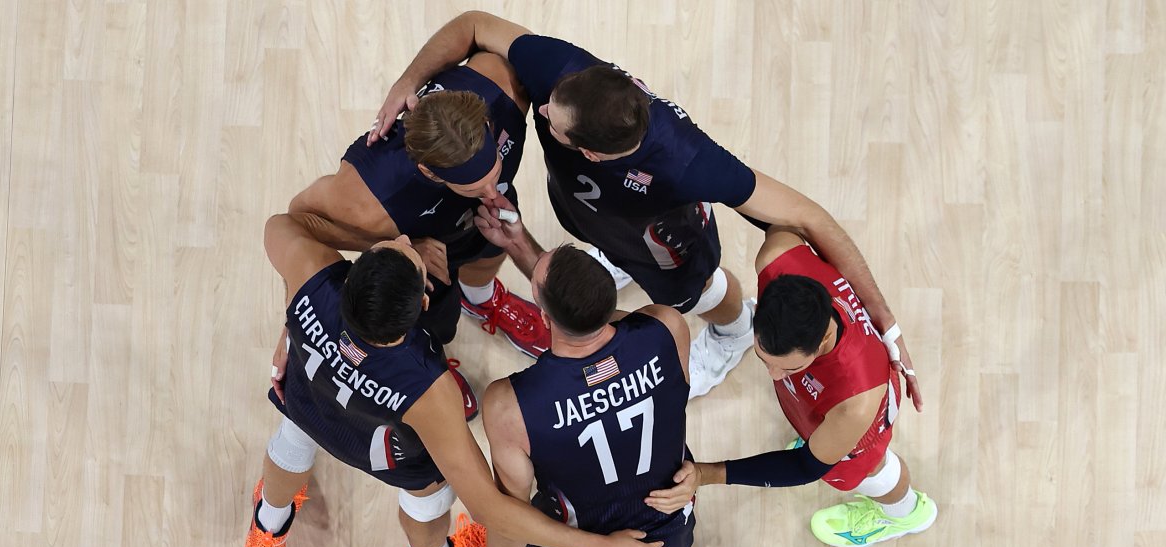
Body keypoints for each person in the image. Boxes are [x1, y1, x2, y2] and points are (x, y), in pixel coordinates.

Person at [370, 11, 922, 407]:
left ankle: (732, 332)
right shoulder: (565, 76)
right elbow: (472, 25)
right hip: (598, 222)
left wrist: (889, 328)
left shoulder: (689, 161)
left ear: (588, 150)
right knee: (600, 252)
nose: (538, 108)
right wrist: (407, 80)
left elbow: (811, 218)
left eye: (550, 124)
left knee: (701, 290)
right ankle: (613, 257)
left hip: (667, 247)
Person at [245, 214, 667, 547]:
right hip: (384, 452)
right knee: (428, 496)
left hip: (306, 404)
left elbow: (282, 222)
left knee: (290, 443)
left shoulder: (309, 274)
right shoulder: (431, 391)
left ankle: (269, 524)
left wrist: (292, 324)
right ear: (423, 305)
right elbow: (488, 507)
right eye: (407, 248)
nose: (406, 235)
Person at [474, 209, 697, 547]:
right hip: (673, 518)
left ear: (542, 311)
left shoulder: (507, 405)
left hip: (578, 545)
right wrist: (521, 246)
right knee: (665, 509)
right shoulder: (667, 326)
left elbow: (508, 514)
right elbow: (607, 326)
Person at [280, 51, 549, 419]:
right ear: (431, 173)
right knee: (429, 326)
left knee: (487, 254)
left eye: (494, 171)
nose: (493, 193)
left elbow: (473, 22)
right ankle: (433, 364)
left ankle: (484, 299)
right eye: (474, 186)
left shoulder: (500, 82)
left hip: (476, 229)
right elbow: (298, 221)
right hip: (423, 258)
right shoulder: (364, 195)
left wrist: (408, 79)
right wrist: (396, 248)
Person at [659, 228, 937, 547]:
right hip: (826, 410)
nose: (776, 376)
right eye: (765, 360)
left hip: (858, 428)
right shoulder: (777, 257)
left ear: (823, 341)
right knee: (816, 433)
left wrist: (705, 475)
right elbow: (790, 218)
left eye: (790, 367)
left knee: (873, 472)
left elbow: (805, 467)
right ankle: (821, 439)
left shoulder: (854, 403)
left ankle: (904, 514)